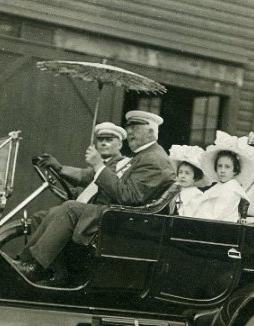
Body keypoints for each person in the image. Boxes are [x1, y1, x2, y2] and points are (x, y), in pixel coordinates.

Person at [11, 110, 175, 285]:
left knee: (70, 208)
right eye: (129, 127)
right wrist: (61, 169)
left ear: (151, 132)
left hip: (123, 221)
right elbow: (91, 177)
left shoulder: (154, 160)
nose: (130, 132)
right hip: (117, 215)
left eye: (135, 127)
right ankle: (33, 264)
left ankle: (36, 268)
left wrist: (98, 165)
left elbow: (129, 196)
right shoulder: (142, 157)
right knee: (47, 214)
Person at [194, 131, 254, 222]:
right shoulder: (220, 186)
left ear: (235, 170)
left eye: (227, 167)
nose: (222, 170)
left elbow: (216, 215)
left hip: (221, 227)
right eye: (220, 166)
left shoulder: (231, 189)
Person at [168, 144, 211, 217]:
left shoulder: (196, 194)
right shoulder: (176, 190)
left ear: (196, 177)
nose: (182, 176)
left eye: (187, 173)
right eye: (180, 172)